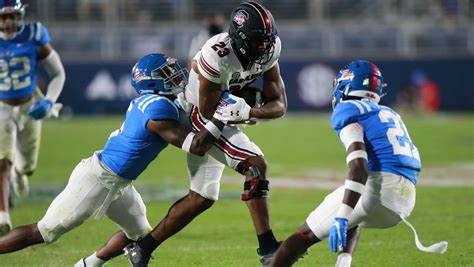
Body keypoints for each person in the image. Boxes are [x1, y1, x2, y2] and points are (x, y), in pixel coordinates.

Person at [0, 53, 245, 264]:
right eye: (167, 72)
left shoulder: (158, 101)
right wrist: (220, 117)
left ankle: (89, 264)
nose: (176, 76)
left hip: (119, 182)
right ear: (152, 81)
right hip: (97, 179)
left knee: (140, 235)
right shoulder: (157, 109)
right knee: (46, 231)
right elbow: (197, 146)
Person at [120, 2, 299, 266]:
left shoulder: (271, 49)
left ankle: (142, 248)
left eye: (267, 41)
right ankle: (268, 248)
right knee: (255, 165)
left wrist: (250, 111)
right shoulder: (217, 54)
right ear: (239, 38)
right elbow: (207, 108)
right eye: (258, 41)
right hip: (200, 114)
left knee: (201, 198)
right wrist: (242, 108)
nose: (264, 47)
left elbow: (280, 105)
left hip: (226, 107)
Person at [269, 60, 448, 267]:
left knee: (304, 234)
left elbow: (359, 169)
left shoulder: (348, 109)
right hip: (406, 200)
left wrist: (342, 217)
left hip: (378, 191)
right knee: (352, 202)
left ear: (347, 85)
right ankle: (343, 263)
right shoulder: (390, 113)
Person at [0, 0, 66, 235]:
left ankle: (20, 173)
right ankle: (3, 216)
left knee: (26, 167)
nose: (9, 22)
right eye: (4, 17)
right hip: (1, 106)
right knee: (2, 161)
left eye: (13, 16)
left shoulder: (34, 35)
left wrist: (48, 100)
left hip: (30, 103)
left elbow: (57, 73)